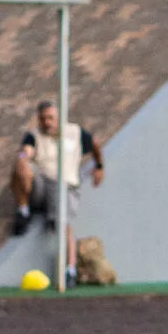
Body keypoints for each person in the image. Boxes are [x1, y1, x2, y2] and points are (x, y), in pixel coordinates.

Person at [10, 101, 103, 282]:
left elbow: (95, 144)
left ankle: (70, 270)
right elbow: (26, 152)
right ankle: (23, 211)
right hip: (42, 186)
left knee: (64, 223)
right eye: (43, 119)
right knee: (20, 166)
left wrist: (99, 166)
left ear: (59, 118)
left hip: (65, 187)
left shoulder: (75, 133)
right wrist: (22, 158)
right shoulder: (33, 136)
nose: (47, 122)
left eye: (50, 118)